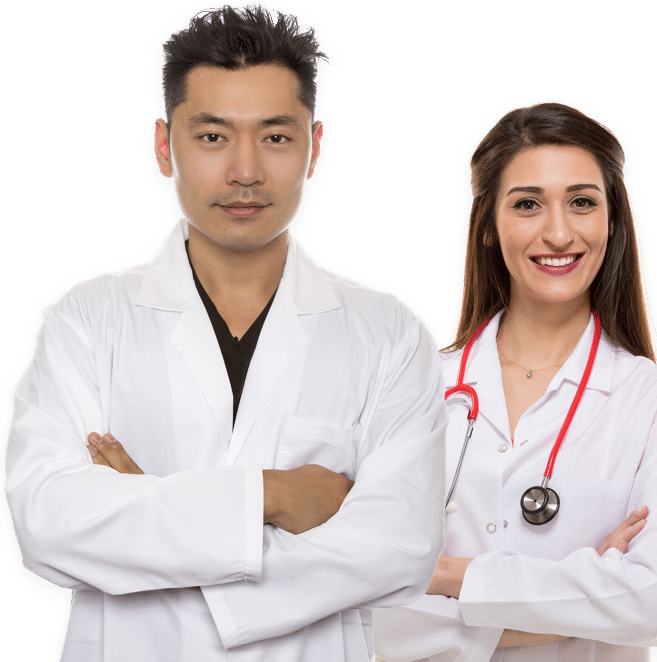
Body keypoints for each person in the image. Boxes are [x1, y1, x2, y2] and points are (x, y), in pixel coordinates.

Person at [5, 4, 446, 661]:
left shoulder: (389, 334)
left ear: (315, 148)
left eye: (275, 137)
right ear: (163, 147)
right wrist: (274, 495)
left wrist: (145, 515)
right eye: (212, 137)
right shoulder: (85, 321)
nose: (245, 171)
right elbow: (48, 525)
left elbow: (400, 548)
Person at [373, 102, 657, 662]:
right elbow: (361, 609)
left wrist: (449, 577)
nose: (558, 233)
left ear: (612, 222)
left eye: (582, 202)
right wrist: (586, 598)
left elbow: (651, 604)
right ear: (487, 227)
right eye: (527, 204)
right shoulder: (409, 386)